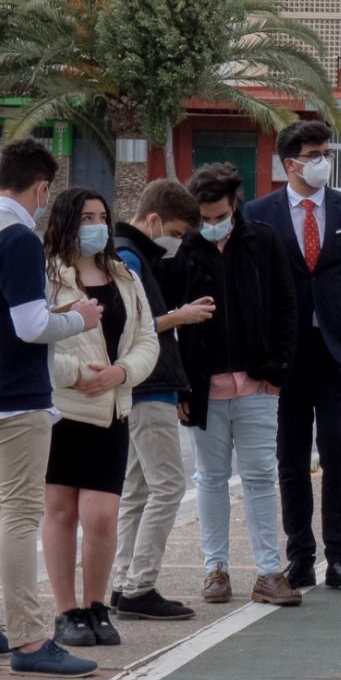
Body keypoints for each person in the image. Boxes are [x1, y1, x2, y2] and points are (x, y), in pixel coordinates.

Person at [243, 120, 341, 595]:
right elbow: (249, 288)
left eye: (324, 152)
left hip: (340, 351)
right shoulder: (258, 211)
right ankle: (300, 559)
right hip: (285, 356)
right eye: (313, 154)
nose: (322, 161)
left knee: (337, 451)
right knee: (290, 458)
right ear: (289, 163)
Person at [0, 138, 103, 677]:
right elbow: (30, 327)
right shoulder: (20, 239)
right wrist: (81, 318)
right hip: (18, 396)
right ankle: (30, 639)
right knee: (21, 515)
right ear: (42, 188)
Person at [171, 163, 303, 608]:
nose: (211, 225)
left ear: (234, 206)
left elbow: (288, 306)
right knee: (209, 478)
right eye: (203, 218)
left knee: (262, 476)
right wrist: (182, 388)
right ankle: (215, 569)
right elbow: (167, 319)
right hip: (202, 388)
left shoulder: (262, 240)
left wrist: (277, 372)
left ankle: (269, 572)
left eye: (218, 216)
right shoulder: (186, 248)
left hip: (258, 386)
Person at [43, 188, 159, 648]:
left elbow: (148, 340)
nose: (97, 225)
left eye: (103, 217)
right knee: (60, 511)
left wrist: (120, 372)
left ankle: (96, 607)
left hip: (111, 409)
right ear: (67, 221)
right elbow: (33, 342)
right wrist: (76, 375)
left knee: (102, 515)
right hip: (62, 411)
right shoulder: (47, 275)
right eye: (87, 216)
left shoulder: (125, 276)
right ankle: (65, 611)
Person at [110, 179, 208, 621]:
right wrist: (182, 316)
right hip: (149, 385)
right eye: (177, 231)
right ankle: (139, 584)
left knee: (138, 488)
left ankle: (123, 579)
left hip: (139, 386)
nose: (179, 242)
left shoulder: (126, 252)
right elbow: (138, 324)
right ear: (153, 220)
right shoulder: (129, 256)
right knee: (168, 485)